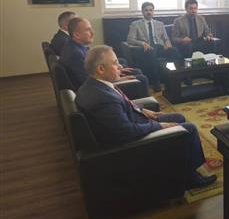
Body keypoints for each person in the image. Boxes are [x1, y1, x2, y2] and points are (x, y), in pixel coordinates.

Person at [75, 45, 217, 190]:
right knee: (190, 129)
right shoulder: (103, 99)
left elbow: (124, 105)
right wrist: (159, 126)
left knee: (178, 117)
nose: (120, 66)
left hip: (134, 121)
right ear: (100, 69)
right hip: (133, 144)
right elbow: (126, 132)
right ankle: (191, 179)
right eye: (115, 63)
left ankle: (184, 166)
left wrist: (143, 110)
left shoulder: (95, 85)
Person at [60, 17, 149, 98]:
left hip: (99, 81)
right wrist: (117, 78)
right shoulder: (75, 54)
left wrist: (116, 69)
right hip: (97, 92)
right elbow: (89, 80)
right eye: (88, 30)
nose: (92, 33)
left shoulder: (74, 46)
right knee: (142, 79)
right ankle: (140, 107)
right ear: (77, 35)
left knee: (135, 71)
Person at [127, 1, 182, 92]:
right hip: (145, 49)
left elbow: (166, 38)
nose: (149, 12)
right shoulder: (135, 24)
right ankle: (156, 82)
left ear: (153, 11)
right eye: (146, 10)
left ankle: (177, 77)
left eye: (151, 10)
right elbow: (130, 40)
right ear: (142, 11)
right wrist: (142, 43)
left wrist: (167, 44)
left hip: (159, 47)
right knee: (152, 52)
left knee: (174, 51)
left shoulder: (160, 24)